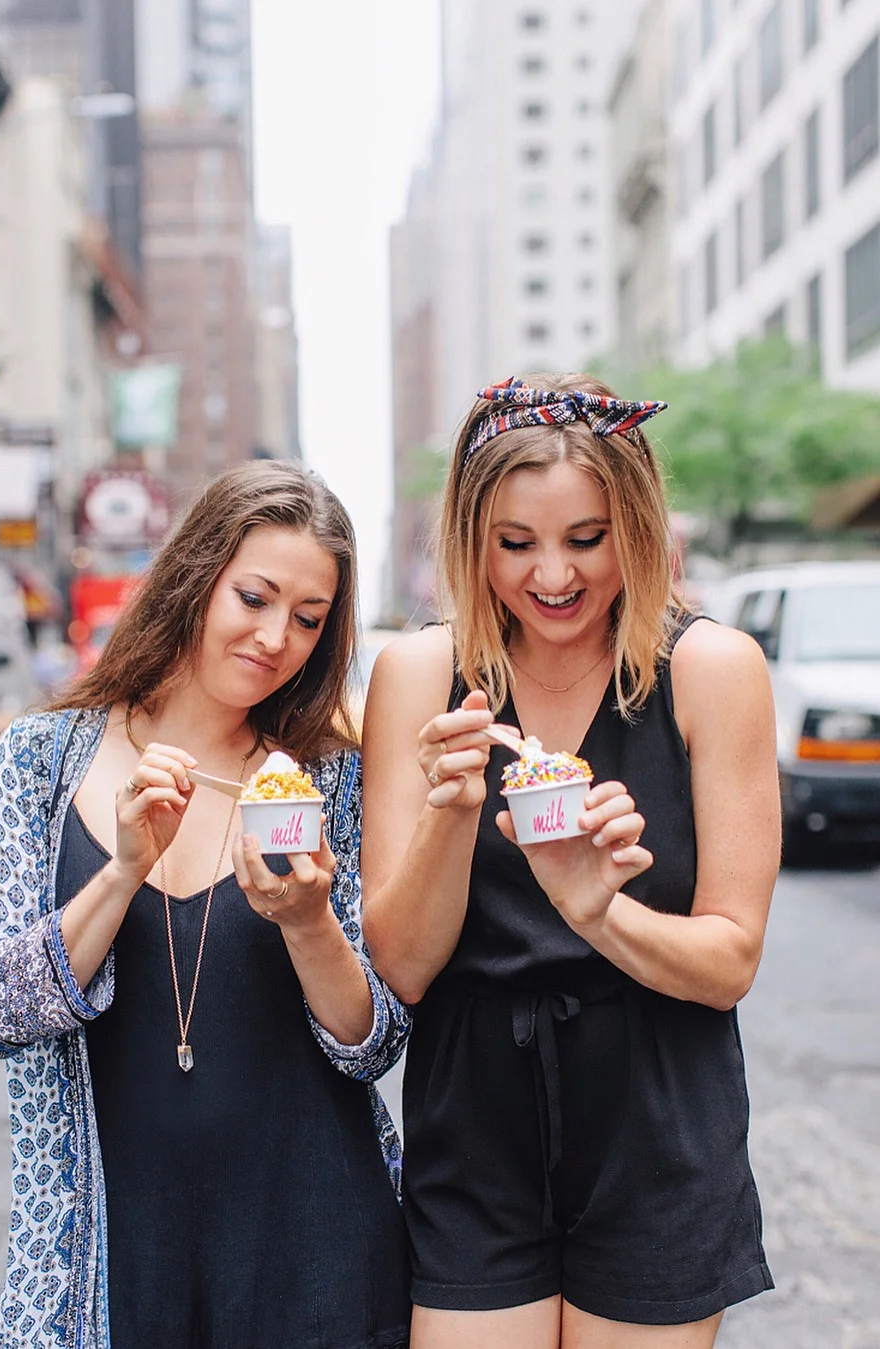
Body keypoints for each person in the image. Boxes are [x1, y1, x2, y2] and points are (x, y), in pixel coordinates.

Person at [360, 374, 781, 1349]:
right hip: (474, 1116)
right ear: (472, 540)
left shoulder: (711, 670)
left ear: (637, 527)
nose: (553, 575)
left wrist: (597, 909)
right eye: (516, 543)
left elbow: (730, 962)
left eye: (585, 538)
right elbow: (405, 964)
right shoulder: (421, 673)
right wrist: (449, 812)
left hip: (657, 1113)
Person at [0, 461, 411, 1349]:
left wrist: (310, 918)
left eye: (309, 619)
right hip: (112, 1254)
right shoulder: (42, 762)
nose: (278, 635)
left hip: (316, 1249)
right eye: (256, 596)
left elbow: (375, 1044)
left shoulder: (327, 778)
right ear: (196, 575)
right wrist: (122, 869)